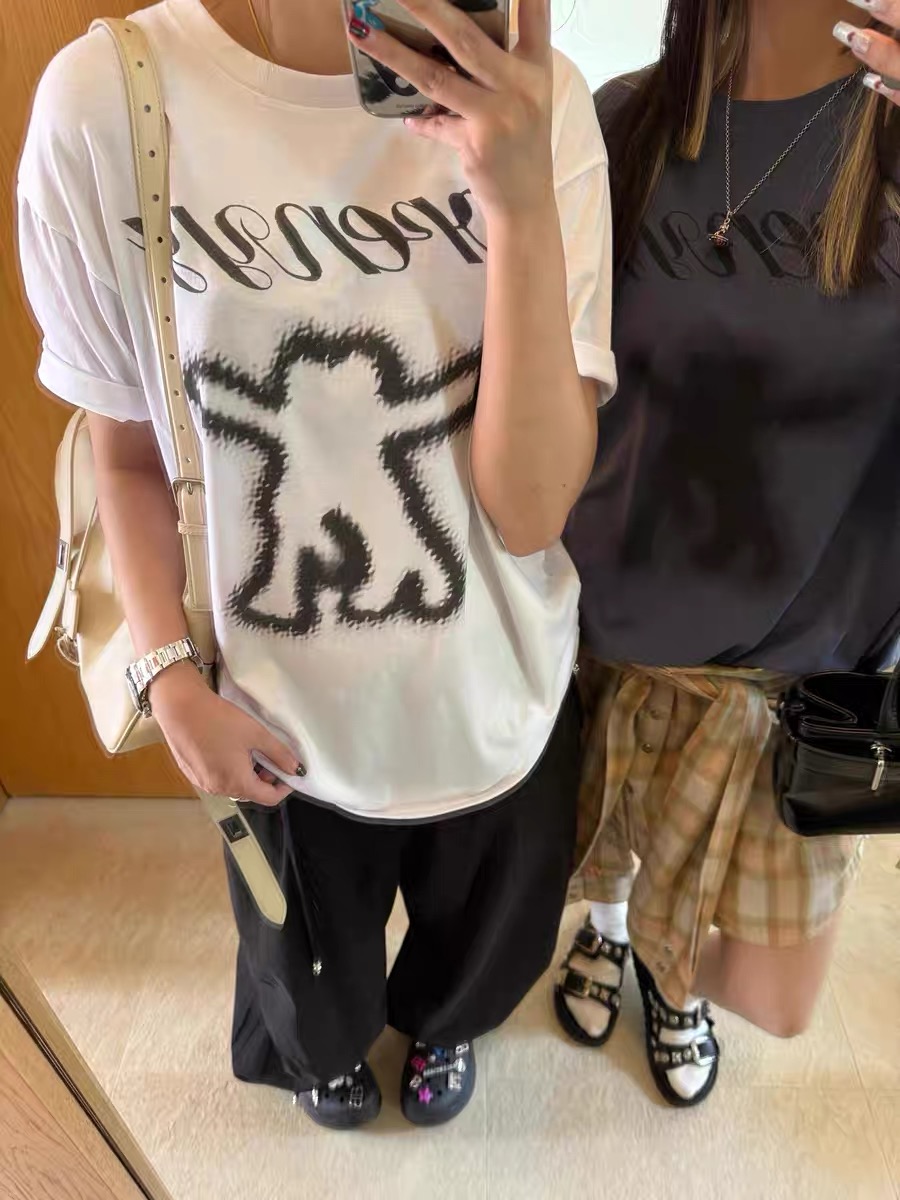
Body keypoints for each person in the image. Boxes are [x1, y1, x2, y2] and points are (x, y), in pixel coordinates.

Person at [17, 0, 616, 1129]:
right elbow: (126, 450)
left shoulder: (547, 109)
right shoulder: (108, 103)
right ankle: (326, 1056)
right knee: (304, 981)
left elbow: (531, 510)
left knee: (480, 944)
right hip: (271, 715)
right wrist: (168, 679)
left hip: (497, 686)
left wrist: (519, 202)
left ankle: (440, 1025)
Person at [556, 0, 900, 1108]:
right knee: (605, 848)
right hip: (601, 630)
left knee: (765, 983)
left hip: (790, 681)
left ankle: (672, 977)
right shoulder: (619, 123)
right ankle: (613, 935)